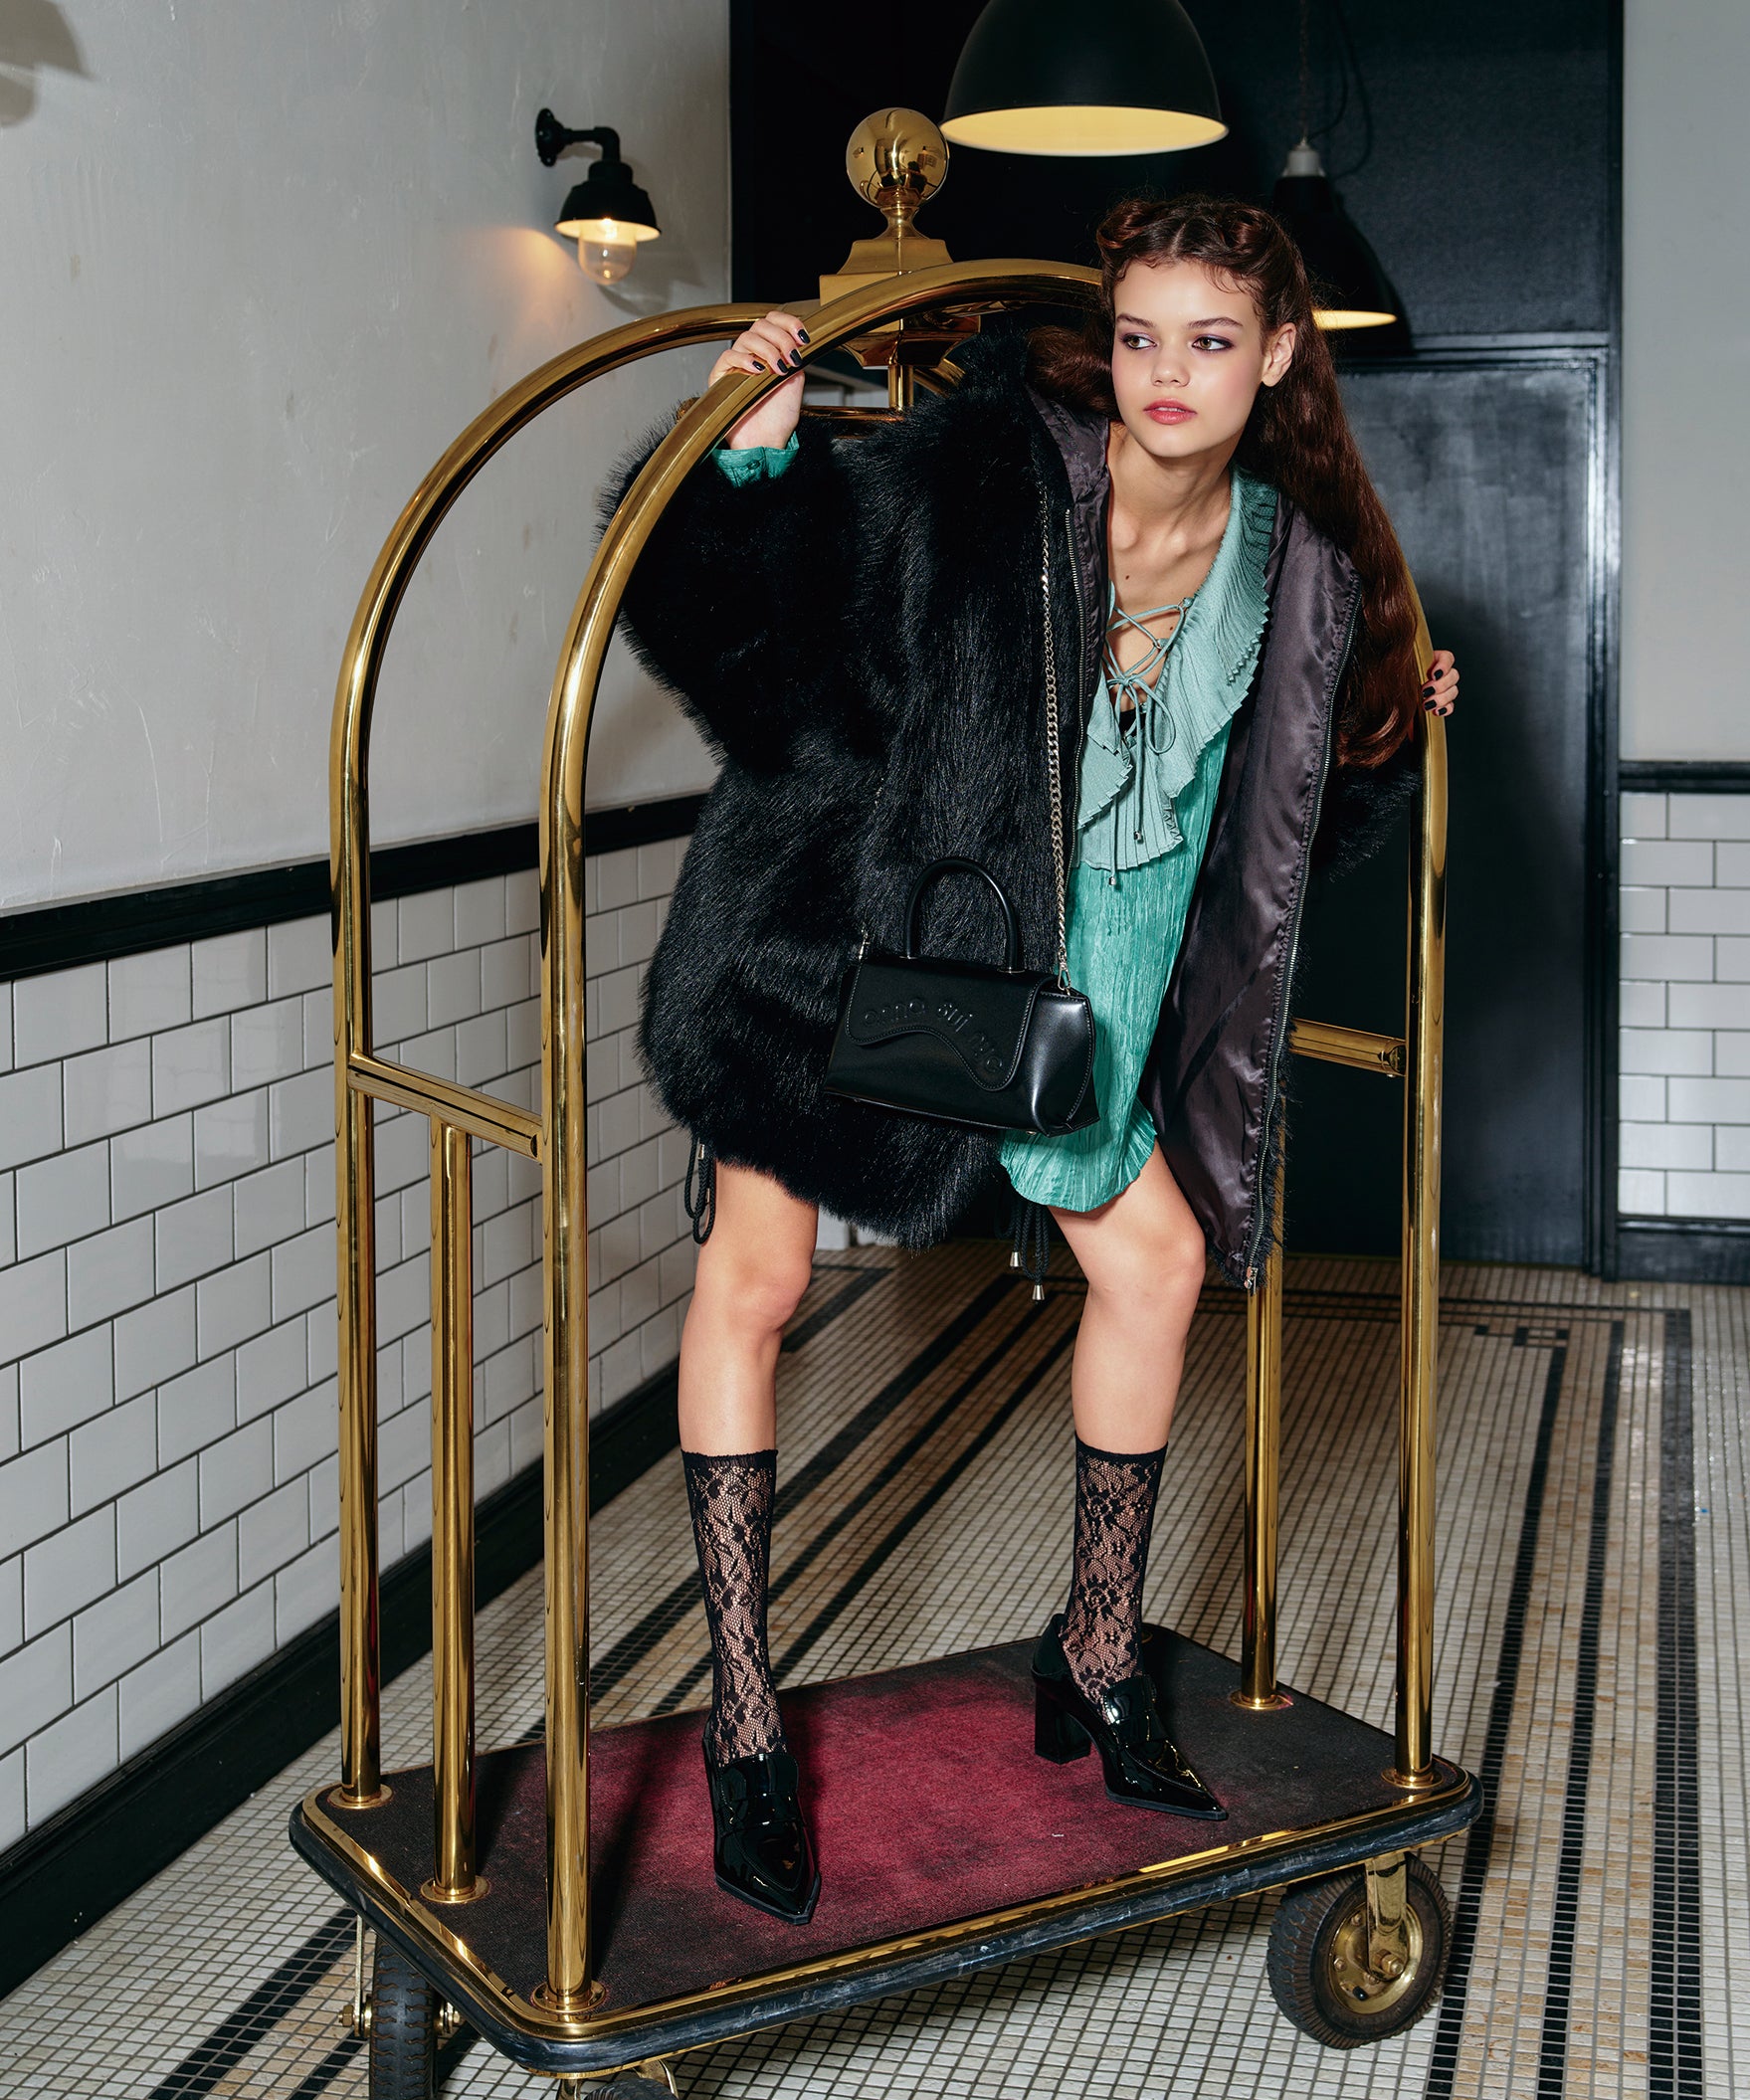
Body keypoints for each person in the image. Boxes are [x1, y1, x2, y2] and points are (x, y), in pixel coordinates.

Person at [609, 194, 1459, 1925]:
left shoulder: (1294, 564)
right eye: (1141, 337)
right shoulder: (989, 476)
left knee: (1154, 1265)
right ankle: (746, 1725)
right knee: (756, 1283)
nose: (1168, 374)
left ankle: (1098, 1651)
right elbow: (769, 654)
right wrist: (752, 468)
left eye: (1210, 342)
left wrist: (1378, 730)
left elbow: (1280, 822)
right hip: (837, 938)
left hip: (1071, 999)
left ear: (1278, 358)